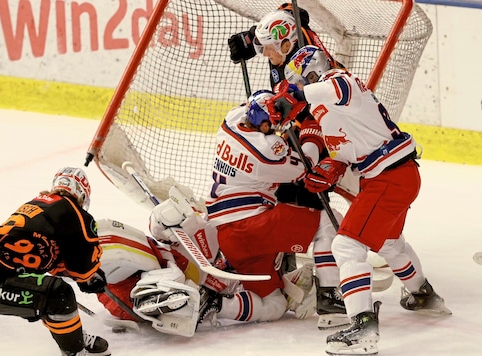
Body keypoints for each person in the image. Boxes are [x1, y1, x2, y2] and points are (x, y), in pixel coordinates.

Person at [283, 45, 451, 355]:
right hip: (395, 176)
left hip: (389, 177)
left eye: (301, 82)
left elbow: (339, 87)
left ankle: (363, 328)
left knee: (345, 246)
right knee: (389, 243)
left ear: (312, 74)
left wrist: (294, 97)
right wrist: (330, 167)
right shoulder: (326, 110)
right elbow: (347, 152)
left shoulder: (341, 81)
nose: (300, 89)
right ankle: (424, 295)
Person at [228, 5, 349, 328]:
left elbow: (316, 124)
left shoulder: (312, 70)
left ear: (289, 44)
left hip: (322, 138)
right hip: (300, 135)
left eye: (269, 48)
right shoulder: (288, 46)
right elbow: (289, 13)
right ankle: (288, 267)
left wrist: (301, 160)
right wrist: (251, 39)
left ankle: (330, 295)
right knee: (281, 201)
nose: (265, 54)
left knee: (320, 216)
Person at [96, 184, 318, 338]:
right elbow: (164, 226)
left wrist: (219, 305)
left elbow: (274, 306)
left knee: (275, 305)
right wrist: (164, 219)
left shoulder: (265, 273)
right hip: (164, 264)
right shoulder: (233, 218)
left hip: (170, 287)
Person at [0, 167, 110, 356]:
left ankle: (74, 337)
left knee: (45, 293)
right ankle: (75, 351)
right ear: (82, 194)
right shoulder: (74, 214)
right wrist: (92, 278)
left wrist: (71, 271)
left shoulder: (43, 205)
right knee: (58, 295)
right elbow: (83, 269)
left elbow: (45, 257)